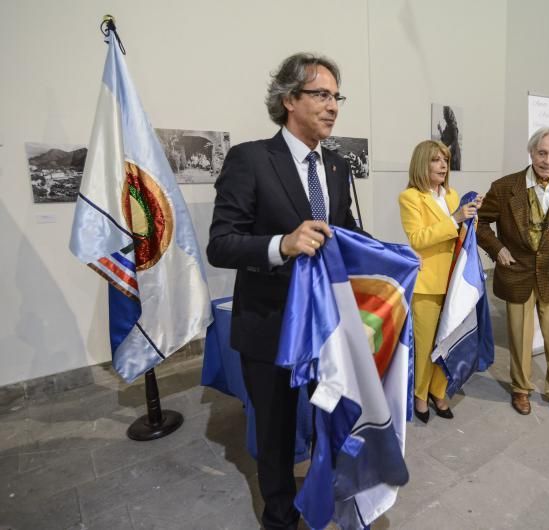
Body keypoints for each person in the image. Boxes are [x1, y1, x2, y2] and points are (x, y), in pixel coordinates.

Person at [206, 53, 359, 530]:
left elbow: (347, 232)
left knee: (327, 417)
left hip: (324, 326)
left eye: (337, 97)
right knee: (273, 434)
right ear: (290, 100)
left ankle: (322, 494)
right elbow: (221, 244)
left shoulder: (335, 166)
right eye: (321, 95)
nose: (333, 106)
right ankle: (279, 516)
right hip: (269, 325)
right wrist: (282, 244)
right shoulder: (251, 159)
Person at [476, 127, 549, 420]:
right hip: (517, 273)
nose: (547, 160)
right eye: (542, 153)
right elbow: (481, 224)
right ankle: (520, 388)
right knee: (519, 339)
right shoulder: (504, 187)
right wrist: (497, 249)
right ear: (531, 153)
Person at [398, 140, 480, 423]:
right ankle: (420, 396)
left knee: (447, 341)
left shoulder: (453, 194)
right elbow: (417, 239)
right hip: (426, 284)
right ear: (423, 163)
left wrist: (470, 220)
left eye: (445, 159)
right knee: (424, 345)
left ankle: (438, 390)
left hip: (454, 282)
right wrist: (456, 218)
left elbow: (459, 235)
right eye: (436, 160)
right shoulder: (410, 197)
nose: (443, 165)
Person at [437, 106, 462, 171]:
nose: (444, 117)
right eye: (444, 114)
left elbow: (455, 141)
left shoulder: (453, 126)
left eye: (445, 114)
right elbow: (443, 139)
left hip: (454, 155)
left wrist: (448, 150)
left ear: (448, 115)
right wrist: (440, 129)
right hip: (449, 154)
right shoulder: (447, 126)